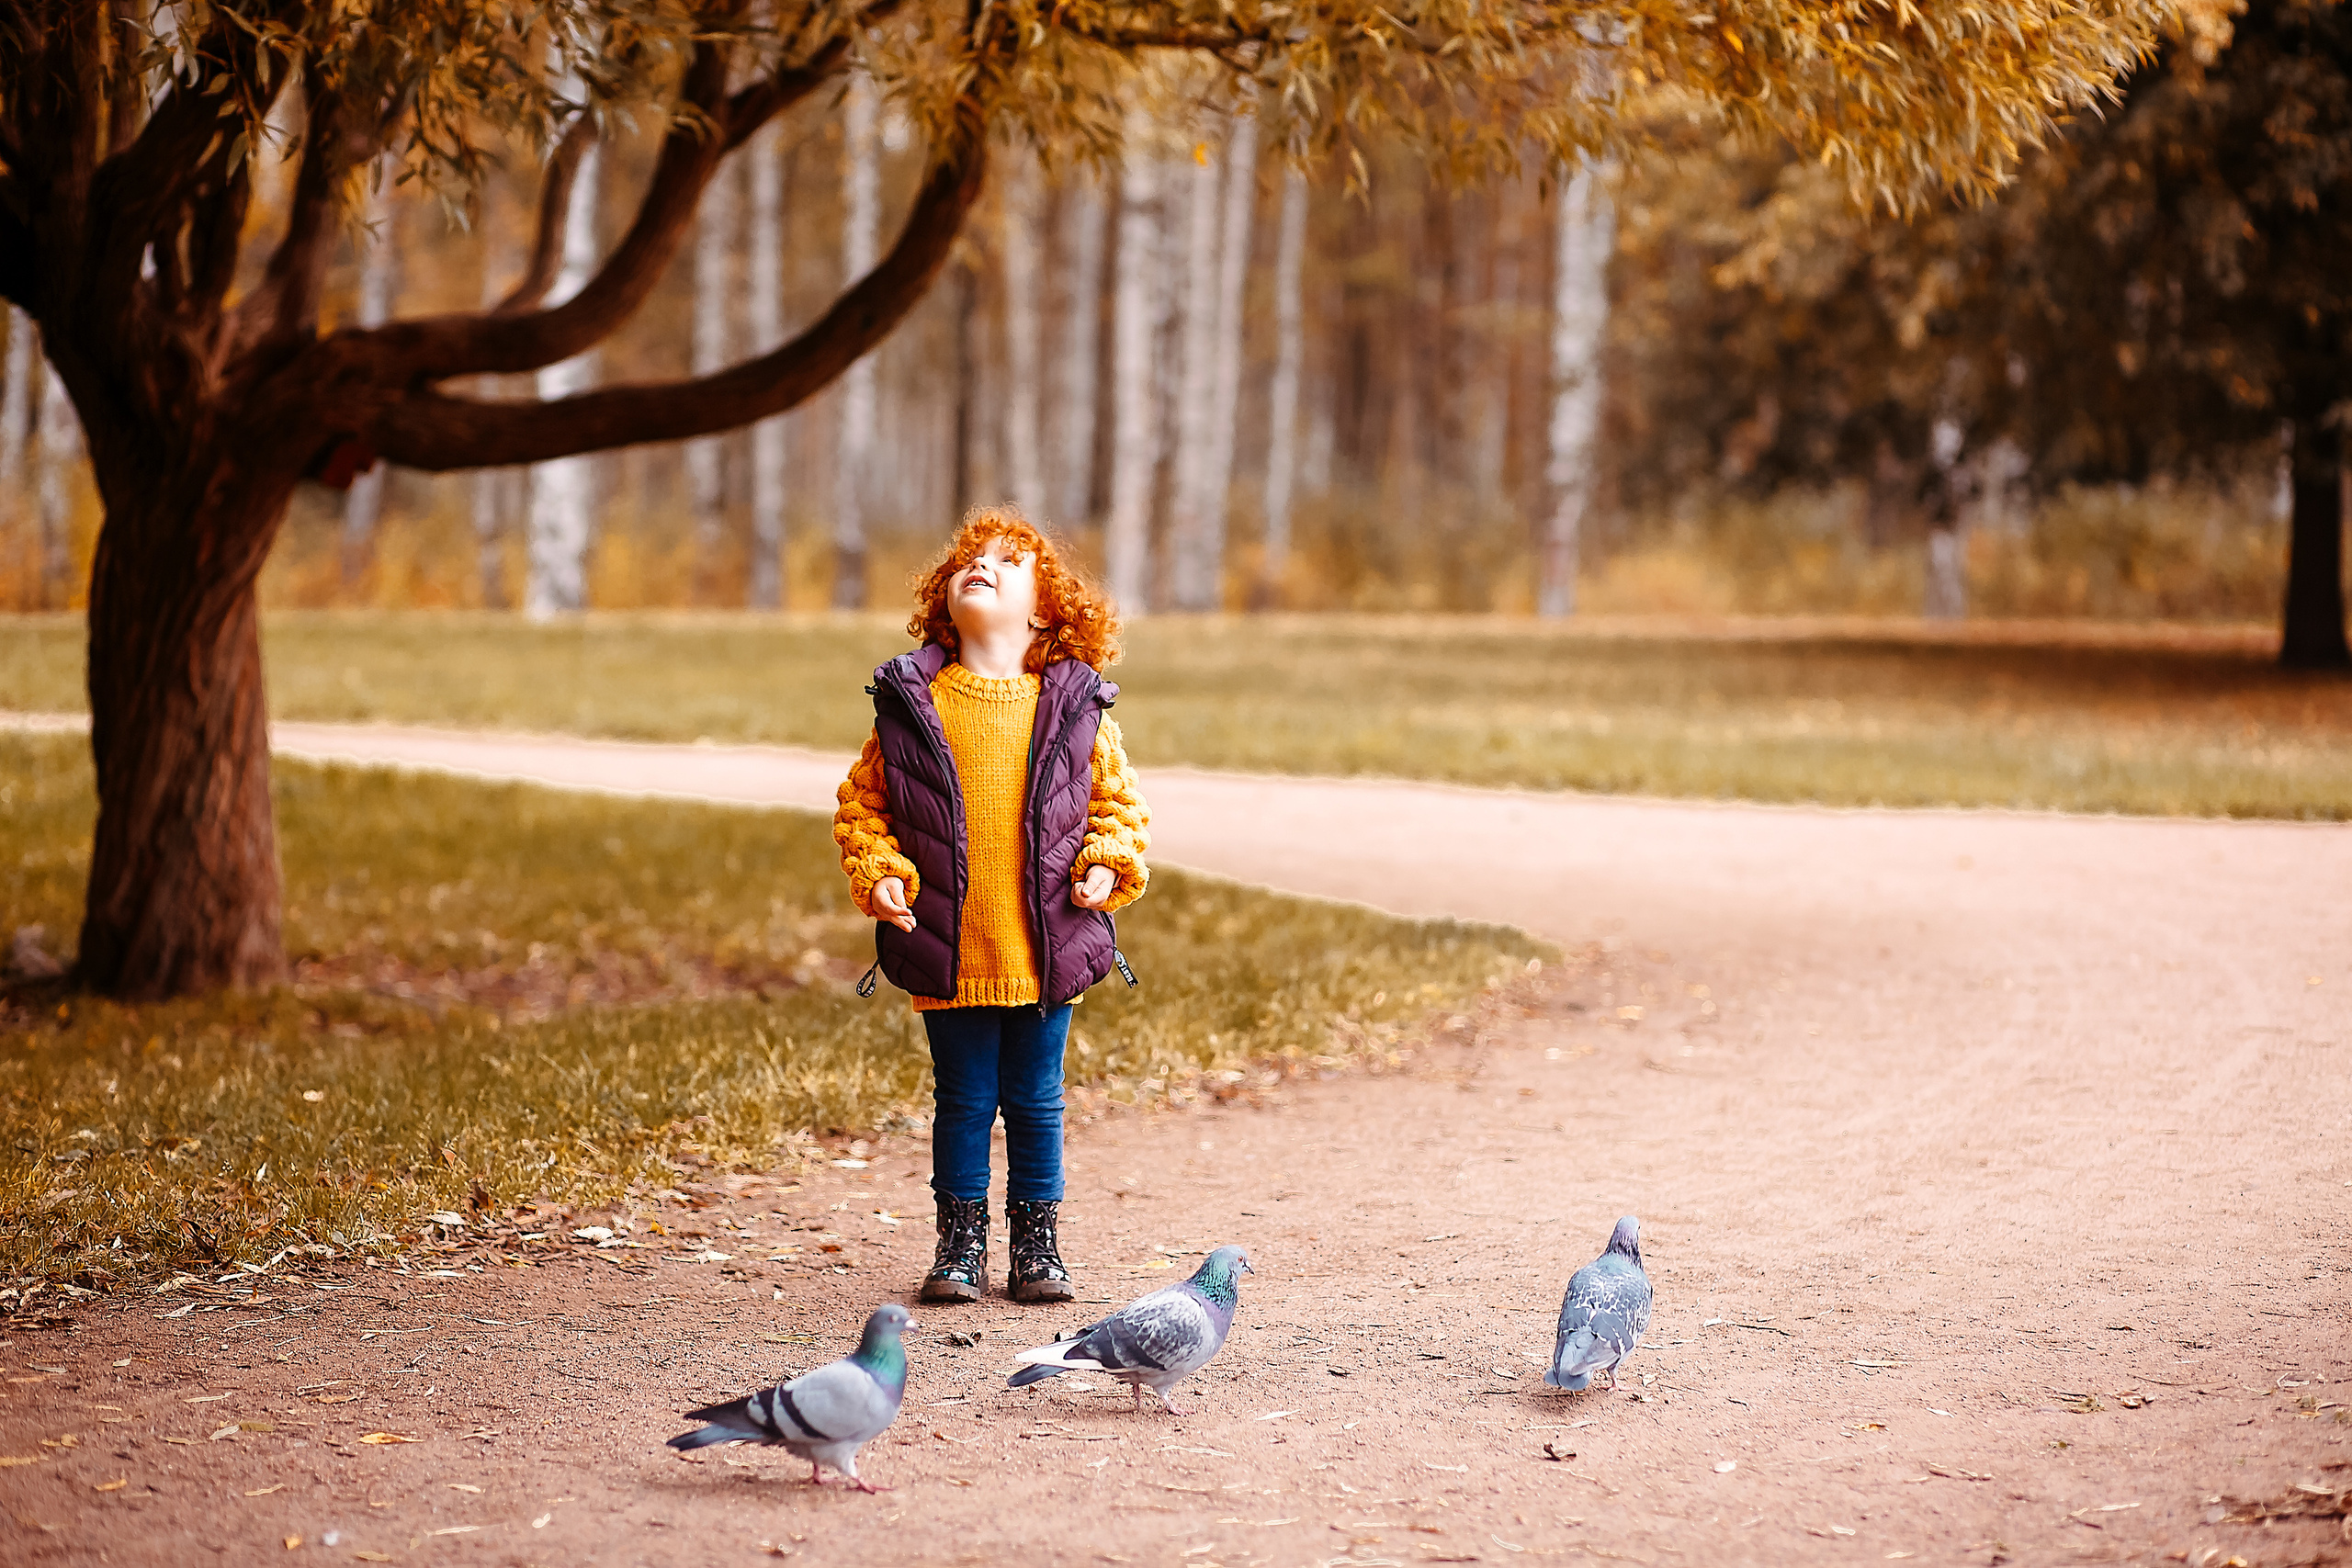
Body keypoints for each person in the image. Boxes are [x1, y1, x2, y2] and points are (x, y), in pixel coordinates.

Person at [831, 507, 1150, 1304]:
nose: (985, 563)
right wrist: (880, 872)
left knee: (1038, 1099)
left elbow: (1116, 804)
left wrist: (1106, 866)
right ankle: (961, 1241)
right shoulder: (914, 701)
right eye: (971, 557)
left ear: (1044, 608)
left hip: (1045, 946)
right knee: (965, 1098)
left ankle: (1037, 1244)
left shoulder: (1073, 706)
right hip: (952, 945)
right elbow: (864, 806)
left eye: (1010, 559)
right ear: (945, 598)